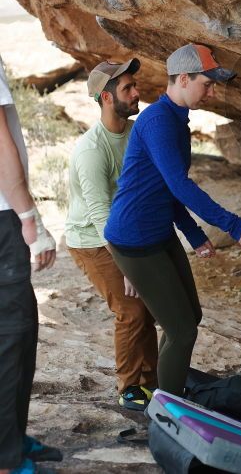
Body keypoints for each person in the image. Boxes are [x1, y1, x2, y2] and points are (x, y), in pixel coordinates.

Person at [104, 44, 241, 396]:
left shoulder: (176, 120)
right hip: (134, 240)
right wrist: (234, 226)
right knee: (182, 331)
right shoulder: (159, 121)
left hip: (158, 233)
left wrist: (193, 234)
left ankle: (164, 392)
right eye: (206, 84)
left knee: (188, 319)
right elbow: (180, 184)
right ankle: (168, 410)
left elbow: (167, 183)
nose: (211, 92)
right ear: (182, 78)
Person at [64, 58, 159, 411]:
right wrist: (128, 266)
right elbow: (99, 213)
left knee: (148, 307)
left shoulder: (134, 134)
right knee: (131, 310)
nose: (137, 93)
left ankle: (154, 382)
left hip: (123, 232)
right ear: (107, 98)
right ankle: (128, 388)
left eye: (135, 86)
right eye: (128, 89)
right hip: (92, 239)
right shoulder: (91, 150)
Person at [0, 55, 61, 473]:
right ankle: (6, 458)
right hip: (2, 218)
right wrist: (29, 218)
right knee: (11, 336)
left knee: (18, 328)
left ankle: (12, 438)